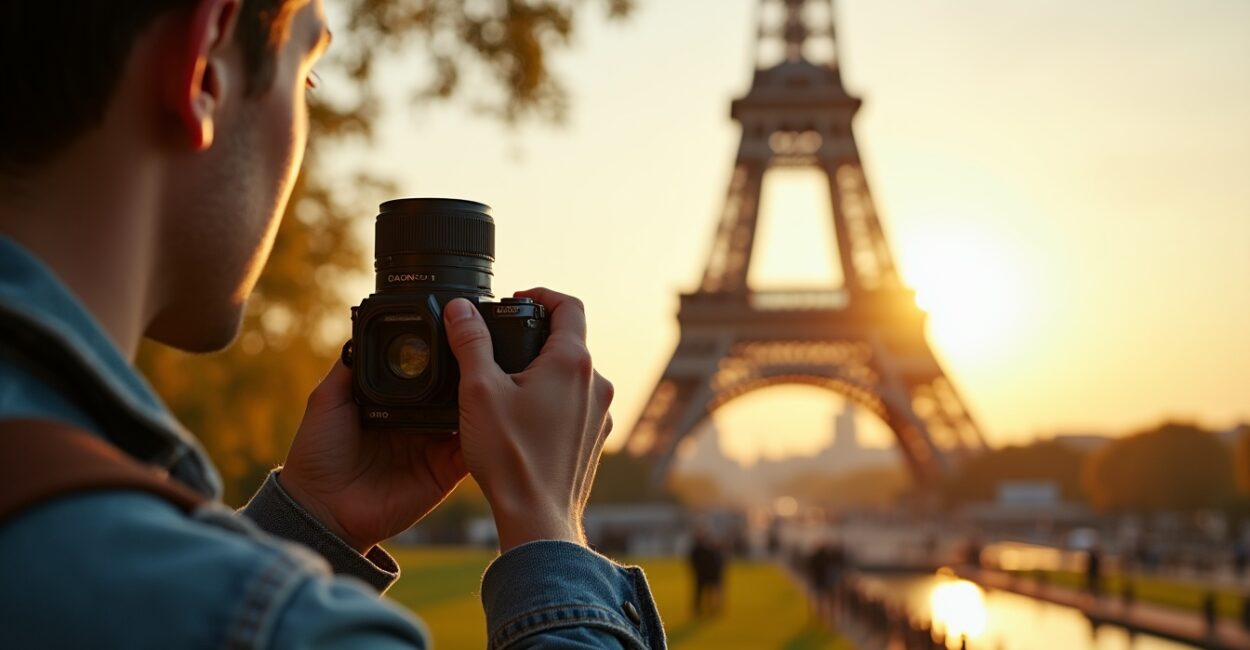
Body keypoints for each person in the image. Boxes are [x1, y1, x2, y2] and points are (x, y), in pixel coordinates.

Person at [0, 1, 664, 648]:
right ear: (205, 67)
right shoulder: (291, 629)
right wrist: (549, 530)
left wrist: (309, 525)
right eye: (307, 75)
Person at [687, 528, 725, 617]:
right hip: (702, 575)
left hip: (709, 575)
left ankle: (712, 609)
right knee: (700, 593)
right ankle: (699, 609)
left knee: (709, 593)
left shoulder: (710, 550)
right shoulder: (699, 550)